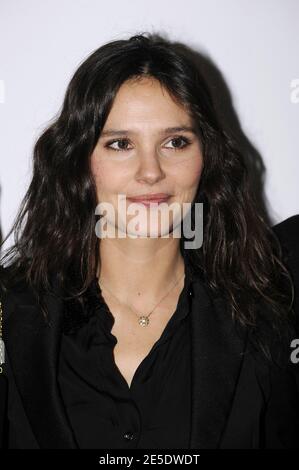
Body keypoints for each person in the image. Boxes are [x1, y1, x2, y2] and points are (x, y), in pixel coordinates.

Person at [0, 33, 299, 449]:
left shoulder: (271, 301)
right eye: (120, 144)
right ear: (79, 161)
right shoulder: (9, 312)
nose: (150, 172)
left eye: (175, 142)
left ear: (207, 156)